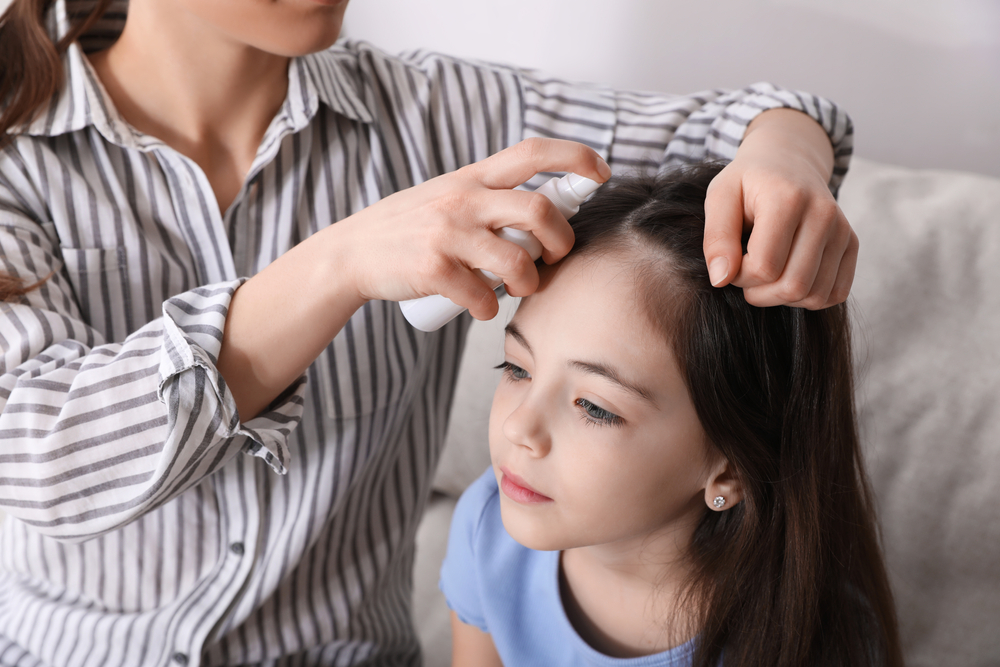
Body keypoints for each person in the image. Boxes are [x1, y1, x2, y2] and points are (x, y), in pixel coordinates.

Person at [0, 0, 857, 665]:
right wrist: (338, 265)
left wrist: (785, 160)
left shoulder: (440, 113)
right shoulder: (17, 161)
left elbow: (759, 119)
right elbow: (42, 462)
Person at [439, 164, 902, 667]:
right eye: (517, 368)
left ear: (731, 470)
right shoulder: (487, 525)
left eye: (594, 407)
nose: (518, 428)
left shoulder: (806, 645)